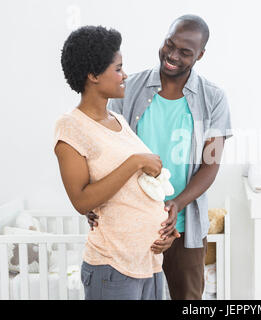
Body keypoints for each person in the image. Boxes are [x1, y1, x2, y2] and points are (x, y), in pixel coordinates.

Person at [88, 14, 233, 299]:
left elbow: (210, 165)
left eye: (185, 52)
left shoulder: (213, 98)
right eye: (169, 44)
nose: (172, 56)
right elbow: (104, 151)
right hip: (130, 223)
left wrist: (176, 203)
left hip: (184, 226)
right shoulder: (127, 89)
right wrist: (94, 198)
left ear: (200, 55)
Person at [54, 25, 180, 300]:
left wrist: (165, 225)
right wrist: (135, 162)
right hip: (112, 268)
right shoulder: (71, 126)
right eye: (118, 68)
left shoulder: (118, 120)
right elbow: (81, 201)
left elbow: (135, 190)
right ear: (93, 75)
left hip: (148, 264)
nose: (125, 75)